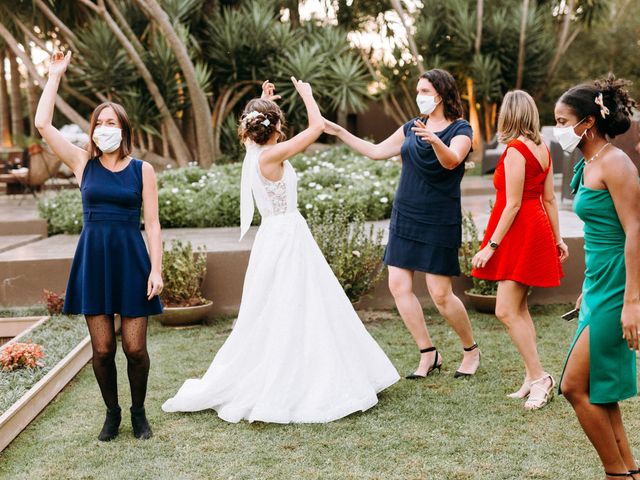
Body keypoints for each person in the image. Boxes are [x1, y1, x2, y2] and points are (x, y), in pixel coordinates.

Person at [161, 79, 399, 423]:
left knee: (284, 304)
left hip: (276, 236)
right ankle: (300, 376)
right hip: (287, 237)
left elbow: (256, 125)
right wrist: (308, 96)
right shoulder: (272, 154)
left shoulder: (254, 152)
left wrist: (262, 101)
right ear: (276, 128)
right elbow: (317, 127)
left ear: (250, 130)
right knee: (295, 303)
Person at [35, 51, 164, 441]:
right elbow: (43, 123)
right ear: (91, 129)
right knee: (103, 349)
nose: (104, 127)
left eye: (112, 122)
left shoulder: (144, 170)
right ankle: (112, 414)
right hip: (93, 259)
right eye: (99, 123)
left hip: (132, 259)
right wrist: (55, 75)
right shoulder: (81, 163)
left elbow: (154, 223)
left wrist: (156, 269)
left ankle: (139, 413)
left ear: (123, 129)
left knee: (135, 348)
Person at [323, 69, 480, 379]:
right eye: (418, 90)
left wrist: (435, 139)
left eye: (424, 90)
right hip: (405, 213)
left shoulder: (461, 128)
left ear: (441, 94)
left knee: (440, 294)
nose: (419, 95)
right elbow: (376, 151)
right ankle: (428, 353)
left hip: (438, 217)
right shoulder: (411, 127)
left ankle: (471, 350)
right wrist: (339, 132)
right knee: (398, 286)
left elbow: (452, 161)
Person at [554, 76, 640, 480]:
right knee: (601, 391)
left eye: (562, 120)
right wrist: (584, 291)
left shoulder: (615, 162)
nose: (558, 129)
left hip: (619, 287)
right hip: (597, 285)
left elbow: (635, 231)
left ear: (587, 122)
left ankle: (614, 475)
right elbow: (597, 236)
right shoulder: (589, 162)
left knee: (573, 386)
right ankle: (629, 472)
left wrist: (633, 302)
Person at [471, 90, 567, 410]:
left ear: (508, 115)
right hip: (533, 228)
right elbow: (550, 199)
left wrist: (490, 246)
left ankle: (541, 378)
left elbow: (512, 204)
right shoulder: (542, 147)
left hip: (519, 232)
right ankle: (531, 376)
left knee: (505, 310)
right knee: (520, 308)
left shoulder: (514, 150)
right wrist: (557, 239)